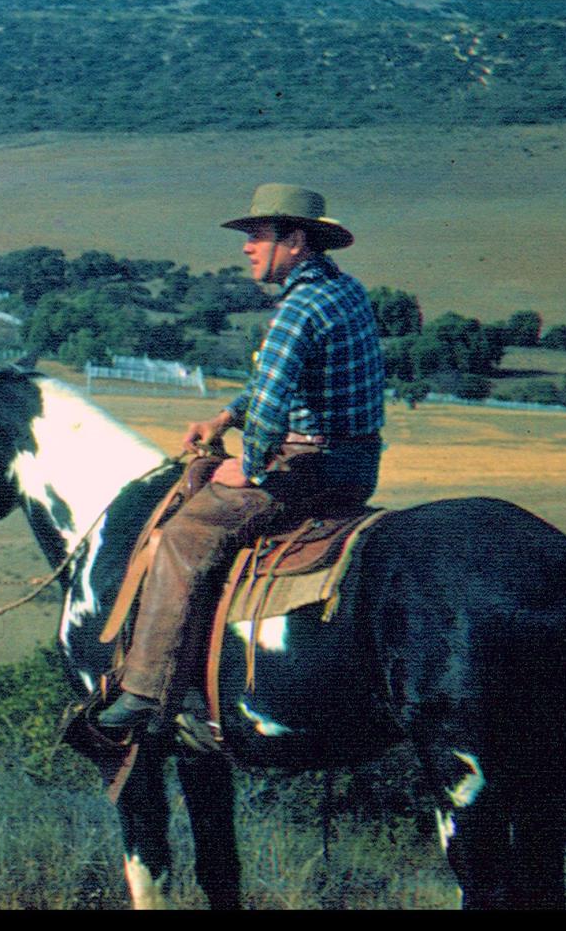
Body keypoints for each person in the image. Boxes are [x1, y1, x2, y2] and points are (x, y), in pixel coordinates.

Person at [95, 183, 387, 736]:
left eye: (257, 236)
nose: (247, 248)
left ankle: (145, 692)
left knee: (186, 535)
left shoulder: (297, 309)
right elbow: (273, 381)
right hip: (358, 462)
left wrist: (250, 465)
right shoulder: (344, 290)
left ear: (295, 241)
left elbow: (273, 401)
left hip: (311, 468)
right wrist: (225, 420)